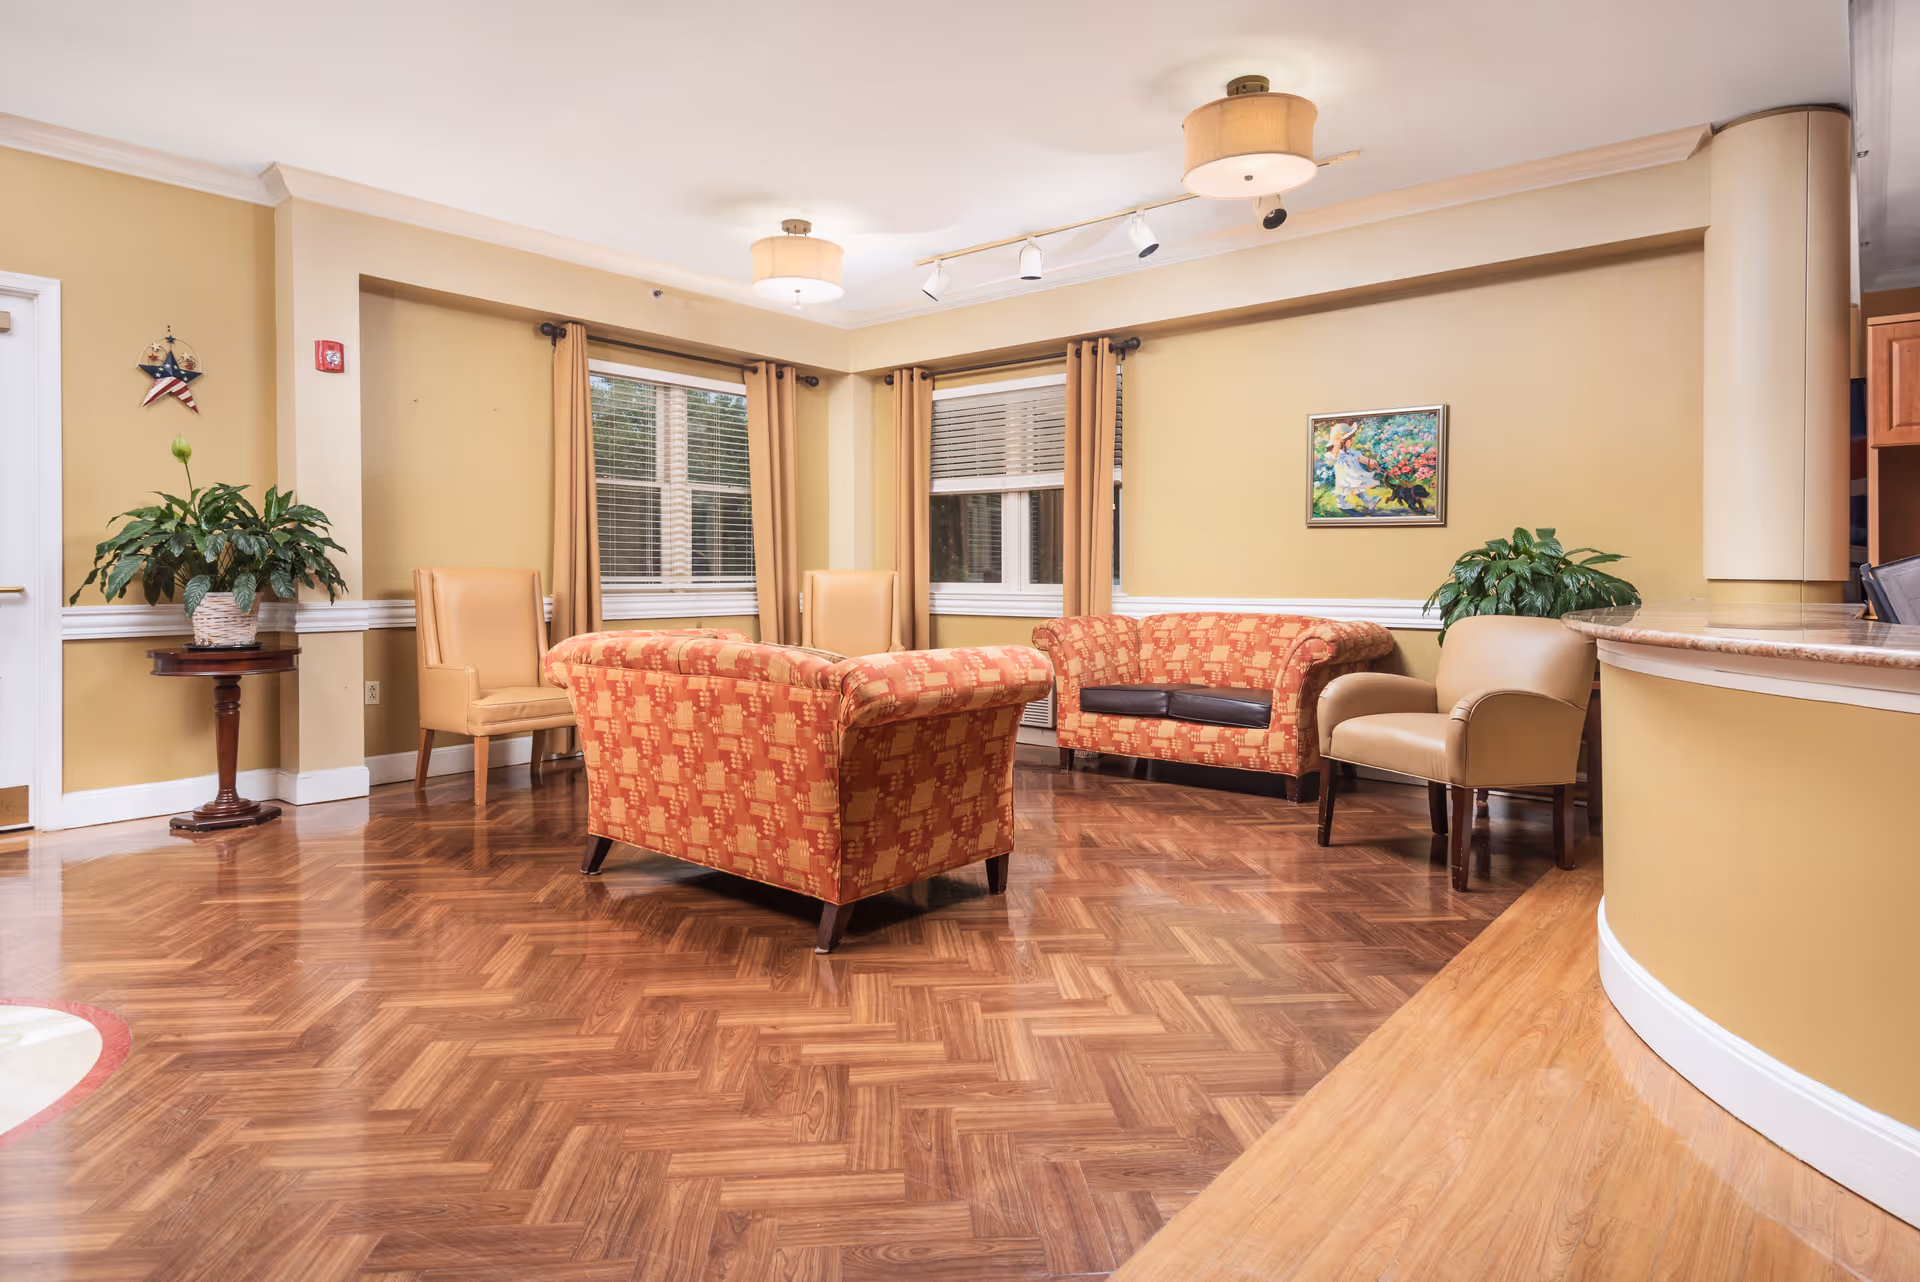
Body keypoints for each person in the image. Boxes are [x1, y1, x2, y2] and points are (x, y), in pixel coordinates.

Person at [1324, 423, 1381, 514]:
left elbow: (1359, 458)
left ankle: (1369, 502)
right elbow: (1331, 459)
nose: (1351, 441)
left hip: (1354, 475)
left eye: (1351, 439)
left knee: (1358, 487)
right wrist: (1337, 446)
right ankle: (1341, 503)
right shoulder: (1337, 453)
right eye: (1349, 439)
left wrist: (1369, 461)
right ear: (1342, 441)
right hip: (1344, 477)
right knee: (1342, 490)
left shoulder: (1350, 452)